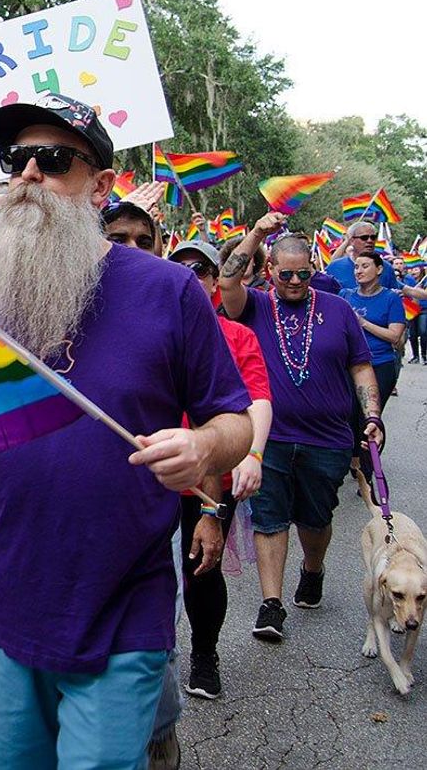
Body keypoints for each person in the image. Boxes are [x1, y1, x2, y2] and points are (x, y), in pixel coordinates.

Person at [0, 93, 253, 767]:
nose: (28, 174)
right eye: (15, 158)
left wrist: (203, 446)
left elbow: (236, 421)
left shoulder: (169, 291)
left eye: (51, 159)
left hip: (121, 609)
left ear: (101, 186)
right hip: (4, 605)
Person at [219, 220, 383, 643]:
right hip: (269, 437)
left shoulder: (339, 309)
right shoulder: (254, 305)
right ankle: (271, 604)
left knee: (315, 519)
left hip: (327, 438)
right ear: (270, 269)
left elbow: (360, 367)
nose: (295, 281)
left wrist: (373, 415)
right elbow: (227, 279)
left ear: (313, 269)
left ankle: (313, 569)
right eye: (286, 274)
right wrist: (257, 234)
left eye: (303, 274)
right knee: (269, 518)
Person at [167, 241, 273, 700]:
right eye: (180, 267)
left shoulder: (238, 337)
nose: (190, 276)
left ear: (215, 280)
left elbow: (257, 401)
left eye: (200, 269)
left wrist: (253, 454)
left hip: (209, 481)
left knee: (201, 571)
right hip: (149, 477)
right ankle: (149, 658)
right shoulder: (152, 328)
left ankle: (204, 655)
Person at [341, 252, 406, 470]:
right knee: (348, 415)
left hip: (380, 364)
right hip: (349, 365)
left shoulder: (391, 299)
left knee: (368, 417)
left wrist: (362, 322)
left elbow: (395, 336)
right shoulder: (345, 295)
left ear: (379, 269)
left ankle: (368, 470)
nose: (358, 271)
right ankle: (354, 461)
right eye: (356, 267)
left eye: (365, 266)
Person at [325, 222, 399, 290]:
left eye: (373, 237)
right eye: (364, 237)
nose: (370, 241)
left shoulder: (386, 267)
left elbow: (395, 292)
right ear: (352, 241)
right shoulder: (335, 267)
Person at [402, 264, 427, 364]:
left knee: (423, 331)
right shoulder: (407, 280)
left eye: (416, 269)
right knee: (412, 334)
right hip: (410, 308)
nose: (413, 271)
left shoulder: (425, 280)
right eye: (411, 269)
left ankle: (424, 355)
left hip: (423, 309)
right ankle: (415, 356)